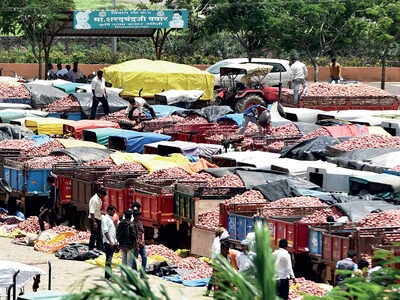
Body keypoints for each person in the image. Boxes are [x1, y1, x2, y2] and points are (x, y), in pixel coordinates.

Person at [204, 228, 229, 297]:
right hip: (217, 261)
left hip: (215, 260)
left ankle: (208, 292)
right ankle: (215, 293)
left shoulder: (216, 240)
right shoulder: (219, 241)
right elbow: (218, 252)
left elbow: (213, 250)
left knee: (213, 277)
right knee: (216, 277)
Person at [102, 205, 117, 279]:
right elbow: (105, 231)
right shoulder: (105, 219)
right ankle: (108, 276)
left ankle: (108, 275)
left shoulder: (111, 219)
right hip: (108, 243)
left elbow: (113, 232)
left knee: (109, 259)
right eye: (113, 211)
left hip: (112, 242)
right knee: (109, 259)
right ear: (108, 211)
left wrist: (115, 241)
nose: (114, 213)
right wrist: (110, 241)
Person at [131, 202, 146, 272]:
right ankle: (134, 271)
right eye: (139, 216)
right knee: (135, 258)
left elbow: (142, 232)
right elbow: (133, 235)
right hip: (135, 244)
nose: (140, 217)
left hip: (141, 244)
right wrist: (137, 243)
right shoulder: (132, 224)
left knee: (144, 257)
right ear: (135, 216)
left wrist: (142, 240)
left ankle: (143, 271)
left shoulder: (140, 223)